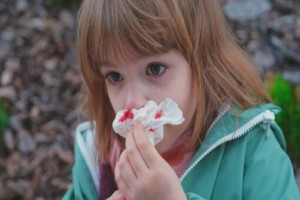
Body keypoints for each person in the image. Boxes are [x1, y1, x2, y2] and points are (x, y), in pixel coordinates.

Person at [63, 0, 300, 199]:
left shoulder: (253, 154)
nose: (132, 103)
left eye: (155, 69)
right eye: (115, 76)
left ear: (203, 62)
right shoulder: (99, 159)